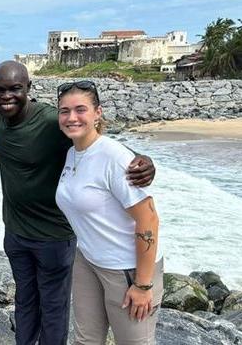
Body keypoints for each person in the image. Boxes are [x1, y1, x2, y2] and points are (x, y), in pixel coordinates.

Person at [0, 61, 155, 345]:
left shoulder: (52, 121)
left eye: (15, 89)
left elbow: (100, 146)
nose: (6, 96)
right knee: (25, 301)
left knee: (54, 309)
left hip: (55, 238)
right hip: (16, 233)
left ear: (28, 89)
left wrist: (145, 162)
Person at [55, 81, 163, 345]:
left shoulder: (114, 157)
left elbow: (148, 218)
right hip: (88, 260)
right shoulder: (72, 153)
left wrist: (143, 284)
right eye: (64, 111)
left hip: (125, 268)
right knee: (86, 340)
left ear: (98, 113)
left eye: (81, 109)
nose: (72, 118)